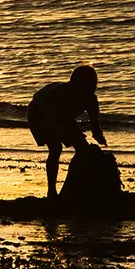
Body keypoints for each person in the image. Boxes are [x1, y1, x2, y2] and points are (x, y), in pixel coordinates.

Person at [28, 64, 108, 199]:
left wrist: (99, 137)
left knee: (83, 148)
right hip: (39, 113)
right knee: (55, 148)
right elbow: (50, 124)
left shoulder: (91, 99)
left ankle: (79, 187)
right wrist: (70, 135)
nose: (92, 87)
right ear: (75, 84)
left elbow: (95, 126)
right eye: (88, 84)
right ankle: (51, 191)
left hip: (64, 115)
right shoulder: (59, 95)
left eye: (94, 83)